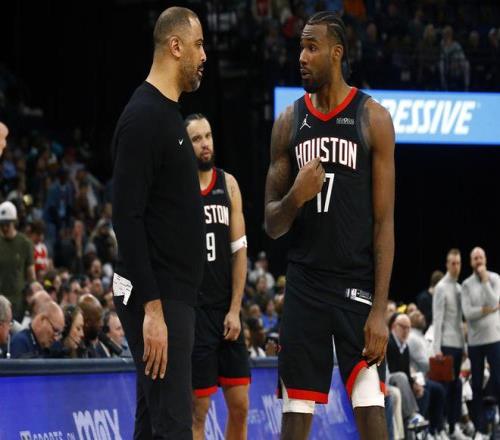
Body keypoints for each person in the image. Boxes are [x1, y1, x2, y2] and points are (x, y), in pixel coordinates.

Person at [264, 11, 395, 440]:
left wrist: (380, 310)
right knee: (295, 415)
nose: (301, 57)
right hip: (305, 284)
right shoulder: (288, 122)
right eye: (300, 47)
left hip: (356, 283)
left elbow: (384, 223)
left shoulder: (373, 118)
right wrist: (296, 196)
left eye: (311, 47)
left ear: (336, 53)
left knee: (370, 408)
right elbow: (272, 223)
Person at [111, 6, 206, 438]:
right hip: (158, 297)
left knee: (153, 425)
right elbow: (126, 217)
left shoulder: (167, 114)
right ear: (175, 46)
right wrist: (152, 309)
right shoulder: (143, 117)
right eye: (199, 45)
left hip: (173, 294)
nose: (204, 55)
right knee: (173, 425)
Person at [185, 113, 250, 440]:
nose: (205, 144)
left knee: (240, 406)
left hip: (226, 310)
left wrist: (235, 309)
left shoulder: (229, 184)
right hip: (195, 312)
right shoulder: (178, 189)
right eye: (197, 139)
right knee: (198, 411)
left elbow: (239, 252)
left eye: (208, 136)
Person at [461, 247, 500, 440]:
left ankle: (497, 424)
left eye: (480, 257)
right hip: (475, 341)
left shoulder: (495, 278)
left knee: (498, 380)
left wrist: (485, 281)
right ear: (471, 262)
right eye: (475, 258)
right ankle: (481, 429)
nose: (478, 261)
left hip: (494, 338)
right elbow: (468, 313)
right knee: (476, 385)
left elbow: (495, 301)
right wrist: (487, 310)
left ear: (485, 259)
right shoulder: (466, 284)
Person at [432, 249, 468, 439]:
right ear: (447, 264)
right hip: (445, 344)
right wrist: (436, 348)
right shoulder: (441, 288)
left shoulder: (460, 289)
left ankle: (453, 427)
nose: (456, 267)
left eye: (458, 263)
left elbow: (461, 321)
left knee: (456, 387)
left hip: (458, 345)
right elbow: (437, 319)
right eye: (453, 263)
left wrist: (465, 347)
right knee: (444, 388)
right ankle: (439, 428)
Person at [0, 201, 36, 320]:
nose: (4, 228)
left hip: (17, 304)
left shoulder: (25, 243)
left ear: (14, 222)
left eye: (7, 224)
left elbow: (31, 276)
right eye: (2, 224)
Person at [78, 293, 109, 358]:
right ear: (87, 322)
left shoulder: (100, 344)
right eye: (98, 320)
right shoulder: (75, 347)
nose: (102, 324)